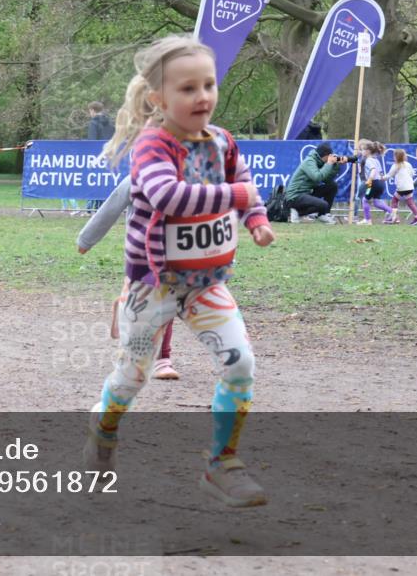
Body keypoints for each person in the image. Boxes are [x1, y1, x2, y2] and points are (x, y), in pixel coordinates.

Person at [83, 35, 274, 508]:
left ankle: (221, 464)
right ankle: (104, 427)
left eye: (208, 85)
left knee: (241, 364)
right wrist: (239, 200)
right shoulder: (152, 146)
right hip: (154, 288)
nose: (202, 96)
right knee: (132, 377)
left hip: (207, 285)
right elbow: (171, 197)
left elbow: (244, 183)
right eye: (188, 88)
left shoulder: (223, 141)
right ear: (158, 98)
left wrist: (257, 221)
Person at [77, 176, 179, 380]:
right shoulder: (138, 175)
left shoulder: (187, 176)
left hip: (175, 250)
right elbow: (111, 206)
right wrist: (86, 239)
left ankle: (162, 359)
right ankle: (126, 306)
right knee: (145, 305)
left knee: (166, 301)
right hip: (141, 253)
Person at [284, 142, 342, 224]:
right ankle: (295, 211)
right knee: (323, 205)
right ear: (325, 156)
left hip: (306, 193)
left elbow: (327, 180)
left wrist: (335, 166)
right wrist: (329, 163)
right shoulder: (309, 161)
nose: (331, 158)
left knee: (332, 186)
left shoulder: (320, 162)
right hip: (295, 196)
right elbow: (317, 177)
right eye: (329, 156)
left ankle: (323, 214)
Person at [85, 102, 116, 212]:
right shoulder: (111, 123)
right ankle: (102, 207)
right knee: (104, 181)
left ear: (93, 110)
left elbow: (92, 141)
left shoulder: (93, 124)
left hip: (96, 156)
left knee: (93, 180)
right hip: (109, 155)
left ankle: (89, 208)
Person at [384, 148, 417, 225]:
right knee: (410, 202)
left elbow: (389, 175)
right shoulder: (408, 164)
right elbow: (412, 174)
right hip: (410, 186)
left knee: (395, 200)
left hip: (401, 187)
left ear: (395, 157)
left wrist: (382, 178)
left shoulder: (396, 165)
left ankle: (394, 217)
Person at [358, 141, 392, 225]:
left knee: (365, 200)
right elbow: (380, 173)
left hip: (372, 183)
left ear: (368, 151)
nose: (361, 152)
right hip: (380, 183)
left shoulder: (369, 160)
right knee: (376, 202)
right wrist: (381, 179)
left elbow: (373, 170)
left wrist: (369, 179)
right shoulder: (376, 160)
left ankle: (367, 220)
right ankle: (392, 212)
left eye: (362, 150)